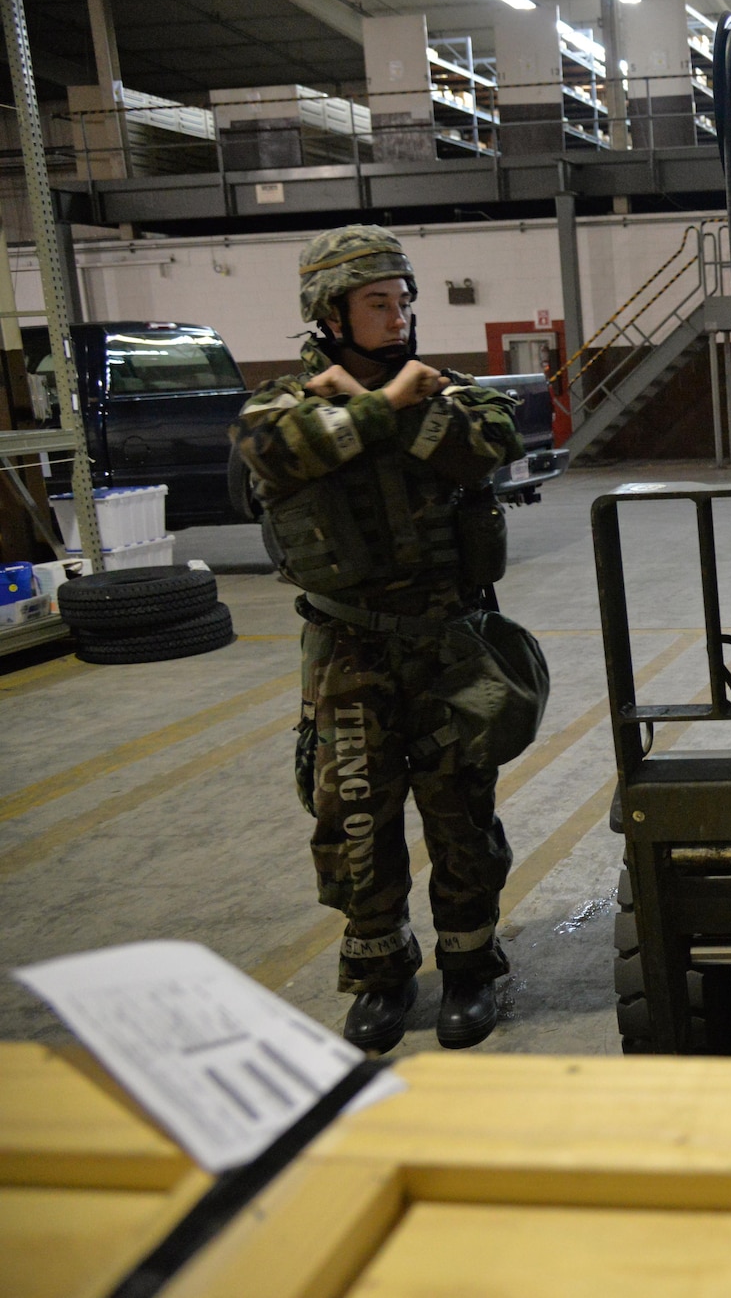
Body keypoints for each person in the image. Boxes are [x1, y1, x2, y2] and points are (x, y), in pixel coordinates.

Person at [233, 225, 526, 1053]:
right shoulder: (281, 401)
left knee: (460, 810)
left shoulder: (447, 390)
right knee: (354, 814)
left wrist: (373, 407)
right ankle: (381, 972)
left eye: (402, 299)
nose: (397, 315)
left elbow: (488, 443)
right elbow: (273, 454)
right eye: (376, 302)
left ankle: (471, 963)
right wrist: (392, 406)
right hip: (346, 648)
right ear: (330, 311)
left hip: (445, 641)